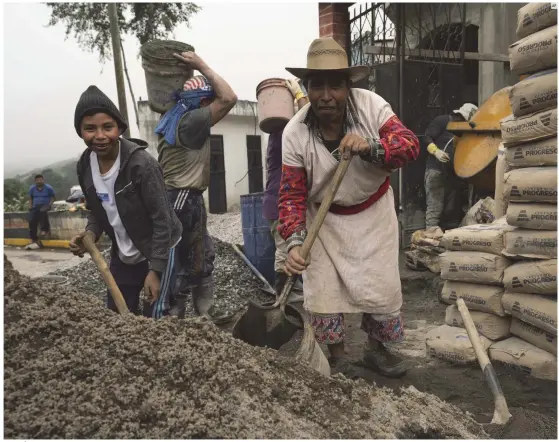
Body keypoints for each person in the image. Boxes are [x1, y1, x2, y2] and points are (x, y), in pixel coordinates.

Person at [278, 38, 420, 378]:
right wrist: (295, 243)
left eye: (335, 85)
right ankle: (338, 355)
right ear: (306, 88)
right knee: (324, 290)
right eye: (317, 85)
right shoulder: (294, 133)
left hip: (373, 212)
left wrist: (372, 146)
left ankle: (377, 350)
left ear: (348, 86)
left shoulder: (373, 107)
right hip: (324, 221)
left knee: (381, 287)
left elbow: (409, 146)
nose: (326, 95)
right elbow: (290, 196)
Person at [69, 86, 182, 319]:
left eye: (107, 127)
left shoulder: (141, 165)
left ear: (119, 128)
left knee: (158, 316)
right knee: (117, 316)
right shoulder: (85, 165)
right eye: (90, 129)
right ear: (80, 131)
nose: (99, 136)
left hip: (158, 249)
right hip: (123, 254)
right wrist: (90, 234)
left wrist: (156, 270)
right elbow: (97, 210)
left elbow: (163, 220)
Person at [154, 51, 237, 323]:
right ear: (200, 102)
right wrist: (201, 65)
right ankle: (174, 316)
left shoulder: (175, 116)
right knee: (182, 259)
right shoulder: (190, 120)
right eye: (206, 102)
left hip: (184, 197)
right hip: (180, 197)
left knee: (201, 254)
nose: (209, 107)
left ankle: (204, 313)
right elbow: (229, 98)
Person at [262, 79, 308, 299]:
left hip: (277, 201)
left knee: (293, 245)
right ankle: (283, 294)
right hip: (280, 203)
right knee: (284, 248)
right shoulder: (284, 134)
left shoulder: (277, 133)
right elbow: (309, 116)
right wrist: (300, 95)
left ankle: (292, 287)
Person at [424, 103, 478, 229]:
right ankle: (430, 241)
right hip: (436, 170)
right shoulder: (442, 121)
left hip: (453, 174)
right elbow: (427, 137)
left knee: (451, 210)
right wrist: (435, 151)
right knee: (434, 209)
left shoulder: (464, 130)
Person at [28, 174, 55, 246]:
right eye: (37, 180)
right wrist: (30, 207)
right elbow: (30, 198)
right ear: (35, 181)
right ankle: (33, 238)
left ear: (43, 180)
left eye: (40, 180)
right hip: (35, 206)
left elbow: (53, 197)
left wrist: (49, 205)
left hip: (45, 205)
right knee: (31, 220)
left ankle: (45, 230)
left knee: (42, 211)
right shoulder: (32, 188)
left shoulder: (48, 188)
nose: (39, 181)